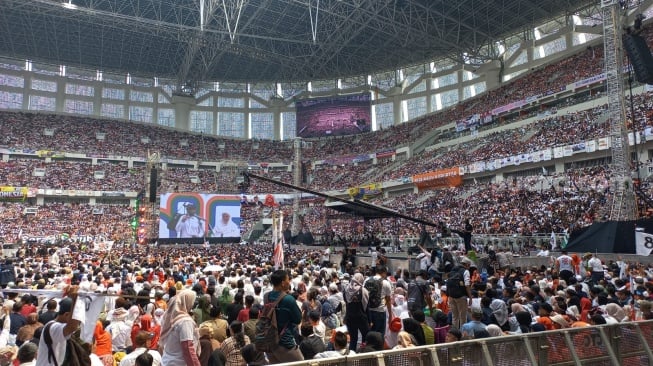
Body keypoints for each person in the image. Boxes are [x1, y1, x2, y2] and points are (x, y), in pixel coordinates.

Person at [264, 269, 303, 364]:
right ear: (282, 283)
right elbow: (298, 320)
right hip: (285, 343)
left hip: (269, 342)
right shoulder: (288, 299)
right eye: (288, 279)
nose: (289, 282)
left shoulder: (266, 296)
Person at [35, 287, 80, 365]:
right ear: (66, 314)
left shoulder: (55, 325)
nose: (78, 321)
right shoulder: (53, 327)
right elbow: (72, 327)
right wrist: (75, 300)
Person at [159, 290, 201, 366]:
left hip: (167, 361)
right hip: (179, 363)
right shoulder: (185, 321)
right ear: (187, 302)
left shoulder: (170, 317)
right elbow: (187, 348)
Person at [344, 273, 369, 351]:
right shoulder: (363, 290)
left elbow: (346, 303)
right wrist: (369, 320)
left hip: (350, 317)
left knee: (353, 338)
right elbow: (366, 305)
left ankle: (352, 355)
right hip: (361, 317)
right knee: (365, 337)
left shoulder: (346, 290)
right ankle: (363, 354)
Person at [448, 258, 473, 330]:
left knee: (454, 317)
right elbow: (467, 285)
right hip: (461, 296)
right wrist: (470, 297)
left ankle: (455, 334)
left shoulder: (453, 270)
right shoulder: (466, 271)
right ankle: (463, 335)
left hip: (451, 295)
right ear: (467, 265)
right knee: (463, 318)